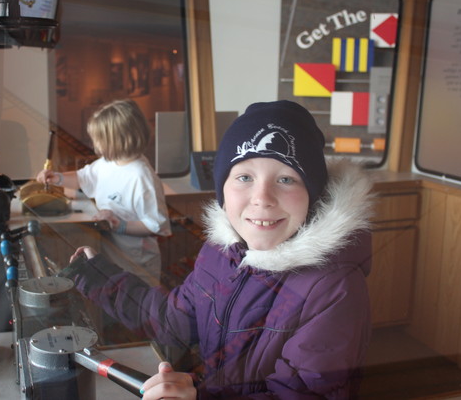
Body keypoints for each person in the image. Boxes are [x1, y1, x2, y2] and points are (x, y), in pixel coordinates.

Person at [62, 100, 375, 398]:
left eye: (286, 179)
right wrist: (100, 276)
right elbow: (171, 319)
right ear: (223, 190)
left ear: (313, 193)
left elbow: (302, 394)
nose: (262, 197)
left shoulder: (334, 288)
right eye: (244, 177)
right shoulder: (221, 254)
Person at [36, 99, 171, 286]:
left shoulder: (141, 177)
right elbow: (83, 178)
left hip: (138, 265)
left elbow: (155, 224)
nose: (94, 144)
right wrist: (56, 178)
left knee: (136, 310)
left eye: (98, 139)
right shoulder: (108, 164)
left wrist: (118, 225)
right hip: (113, 256)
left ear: (117, 140)